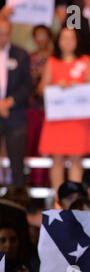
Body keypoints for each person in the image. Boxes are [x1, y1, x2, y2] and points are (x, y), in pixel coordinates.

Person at [38, 27, 90, 198]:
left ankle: (74, 199)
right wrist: (57, 86)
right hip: (57, 118)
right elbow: (41, 88)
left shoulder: (85, 62)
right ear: (58, 41)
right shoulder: (52, 62)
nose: (67, 41)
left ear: (77, 41)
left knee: (77, 159)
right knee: (56, 159)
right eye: (64, 38)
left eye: (71, 38)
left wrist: (76, 86)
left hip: (78, 118)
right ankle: (58, 198)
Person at [0, 19, 32, 187]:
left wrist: (8, 102)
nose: (2, 38)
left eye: (5, 34)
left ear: (10, 34)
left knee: (17, 163)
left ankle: (19, 201)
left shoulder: (20, 54)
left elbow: (28, 85)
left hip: (15, 114)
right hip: (5, 110)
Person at [28, 25, 53, 187]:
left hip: (53, 109)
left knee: (51, 147)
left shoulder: (55, 58)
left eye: (44, 35)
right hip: (33, 107)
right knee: (33, 145)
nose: (41, 39)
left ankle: (49, 183)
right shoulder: (27, 58)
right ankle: (34, 184)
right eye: (38, 36)